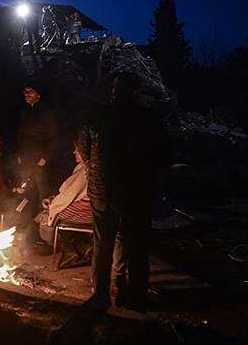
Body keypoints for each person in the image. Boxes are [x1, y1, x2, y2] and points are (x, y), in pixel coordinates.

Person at [78, 72, 170, 314]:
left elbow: (83, 150)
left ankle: (100, 295)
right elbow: (164, 155)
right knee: (136, 247)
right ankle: (135, 298)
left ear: (114, 91)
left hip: (102, 192)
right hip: (135, 193)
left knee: (102, 244)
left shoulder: (97, 115)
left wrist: (94, 170)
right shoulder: (149, 119)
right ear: (136, 93)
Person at [35, 144, 91, 245]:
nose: (74, 152)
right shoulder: (87, 167)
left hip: (85, 213)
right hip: (90, 211)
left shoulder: (85, 171)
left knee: (45, 214)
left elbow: (68, 196)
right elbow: (70, 194)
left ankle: (48, 243)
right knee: (49, 209)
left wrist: (52, 204)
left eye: (77, 149)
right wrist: (54, 199)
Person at [17, 82, 57, 222]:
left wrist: (46, 156)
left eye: (30, 91)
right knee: (26, 190)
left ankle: (43, 225)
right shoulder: (26, 111)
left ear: (38, 95)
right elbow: (21, 135)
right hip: (27, 158)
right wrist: (20, 154)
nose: (26, 94)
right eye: (25, 91)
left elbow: (54, 136)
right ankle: (25, 226)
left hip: (40, 159)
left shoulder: (46, 112)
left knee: (42, 193)